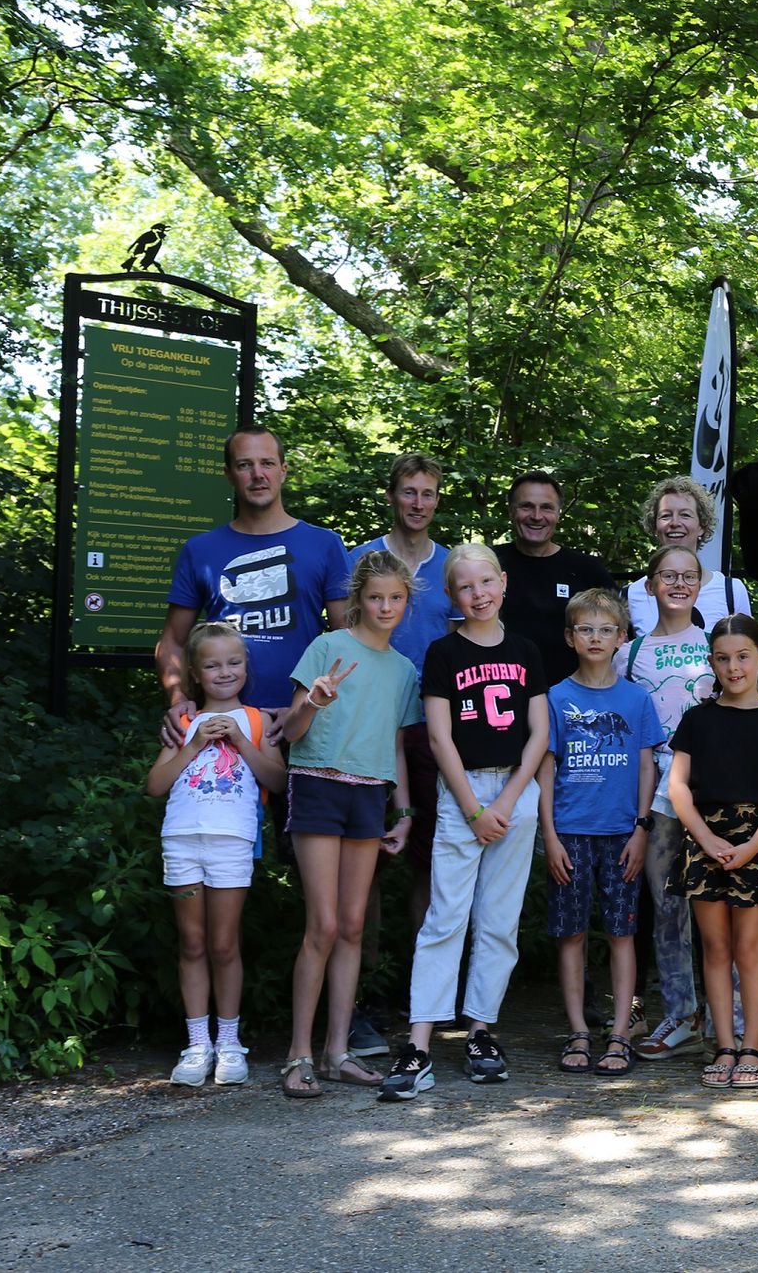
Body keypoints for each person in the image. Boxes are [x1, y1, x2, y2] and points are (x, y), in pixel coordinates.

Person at [378, 546, 549, 1101]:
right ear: (452, 595)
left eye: (486, 582)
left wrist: (509, 801)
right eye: (466, 586)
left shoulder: (525, 650)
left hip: (515, 791)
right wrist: (474, 808)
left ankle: (480, 1032)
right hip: (461, 793)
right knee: (444, 918)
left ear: (503, 583)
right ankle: (419, 1044)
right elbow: (438, 736)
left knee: (498, 921)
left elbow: (539, 734)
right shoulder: (443, 652)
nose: (479, 594)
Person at [275, 550, 423, 1098]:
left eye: (395, 598)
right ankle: (298, 1055)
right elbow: (292, 732)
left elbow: (396, 747)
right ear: (358, 598)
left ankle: (337, 1053)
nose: (385, 607)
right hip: (318, 784)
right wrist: (313, 702)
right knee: (323, 925)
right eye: (375, 597)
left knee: (354, 927)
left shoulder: (404, 670)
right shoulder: (327, 646)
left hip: (369, 795)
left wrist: (403, 813)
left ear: (407, 602)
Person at [347, 452, 459, 1057]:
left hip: (431, 729)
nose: (418, 502)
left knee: (429, 863)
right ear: (392, 496)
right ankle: (361, 997)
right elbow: (342, 638)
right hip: (367, 728)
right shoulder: (363, 559)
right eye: (409, 491)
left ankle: (424, 992)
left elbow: (463, 647)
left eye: (428, 493)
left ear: (437, 500)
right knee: (364, 864)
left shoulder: (451, 566)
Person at [144, 621, 285, 1087]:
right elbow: (155, 785)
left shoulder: (259, 721)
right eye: (212, 665)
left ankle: (228, 1042)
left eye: (234, 662)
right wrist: (195, 743)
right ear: (195, 673)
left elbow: (278, 781)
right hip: (182, 839)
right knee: (192, 943)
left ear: (246, 667)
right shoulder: (183, 722)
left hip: (232, 841)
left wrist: (241, 741)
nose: (224, 672)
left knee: (224, 945)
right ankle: (196, 1044)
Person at [668, 614, 758, 1089]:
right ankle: (723, 1045)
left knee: (749, 948)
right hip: (706, 840)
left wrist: (752, 846)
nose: (733, 667)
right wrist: (706, 839)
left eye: (743, 657)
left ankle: (751, 1046)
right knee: (716, 948)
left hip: (755, 842)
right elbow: (678, 787)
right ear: (712, 663)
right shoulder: (697, 720)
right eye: (723, 659)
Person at [540, 589, 664, 1078]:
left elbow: (647, 766)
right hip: (569, 833)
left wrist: (642, 828)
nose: (595, 638)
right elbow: (546, 769)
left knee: (621, 933)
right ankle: (577, 1030)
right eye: (586, 629)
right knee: (571, 933)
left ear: (621, 638)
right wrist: (549, 836)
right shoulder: (555, 698)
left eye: (605, 629)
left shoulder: (636, 699)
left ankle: (620, 1033)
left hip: (621, 835)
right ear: (570, 637)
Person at [157, 426, 350, 729]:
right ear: (229, 474)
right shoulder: (200, 550)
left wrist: (305, 707)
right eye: (245, 465)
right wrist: (178, 698)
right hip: (221, 723)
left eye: (267, 463)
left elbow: (347, 640)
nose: (258, 474)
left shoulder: (325, 545)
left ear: (283, 470)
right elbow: (172, 641)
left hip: (305, 722)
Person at [617, 546, 718, 1061]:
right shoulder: (629, 653)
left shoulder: (719, 645)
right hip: (654, 794)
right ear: (650, 584)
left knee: (720, 905)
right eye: (668, 575)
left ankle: (729, 1022)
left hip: (713, 790)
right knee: (666, 905)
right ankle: (680, 1015)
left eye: (688, 576)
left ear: (701, 583)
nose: (678, 584)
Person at [495, 471, 615, 688]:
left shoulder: (586, 570)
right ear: (511, 511)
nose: (536, 516)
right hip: (502, 694)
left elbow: (618, 635)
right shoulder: (489, 565)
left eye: (547, 507)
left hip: (572, 699)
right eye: (526, 506)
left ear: (559, 514)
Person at [625, 476, 752, 634]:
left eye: (685, 515)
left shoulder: (731, 591)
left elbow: (747, 647)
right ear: (655, 527)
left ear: (702, 526)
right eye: (666, 515)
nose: (675, 523)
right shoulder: (631, 594)